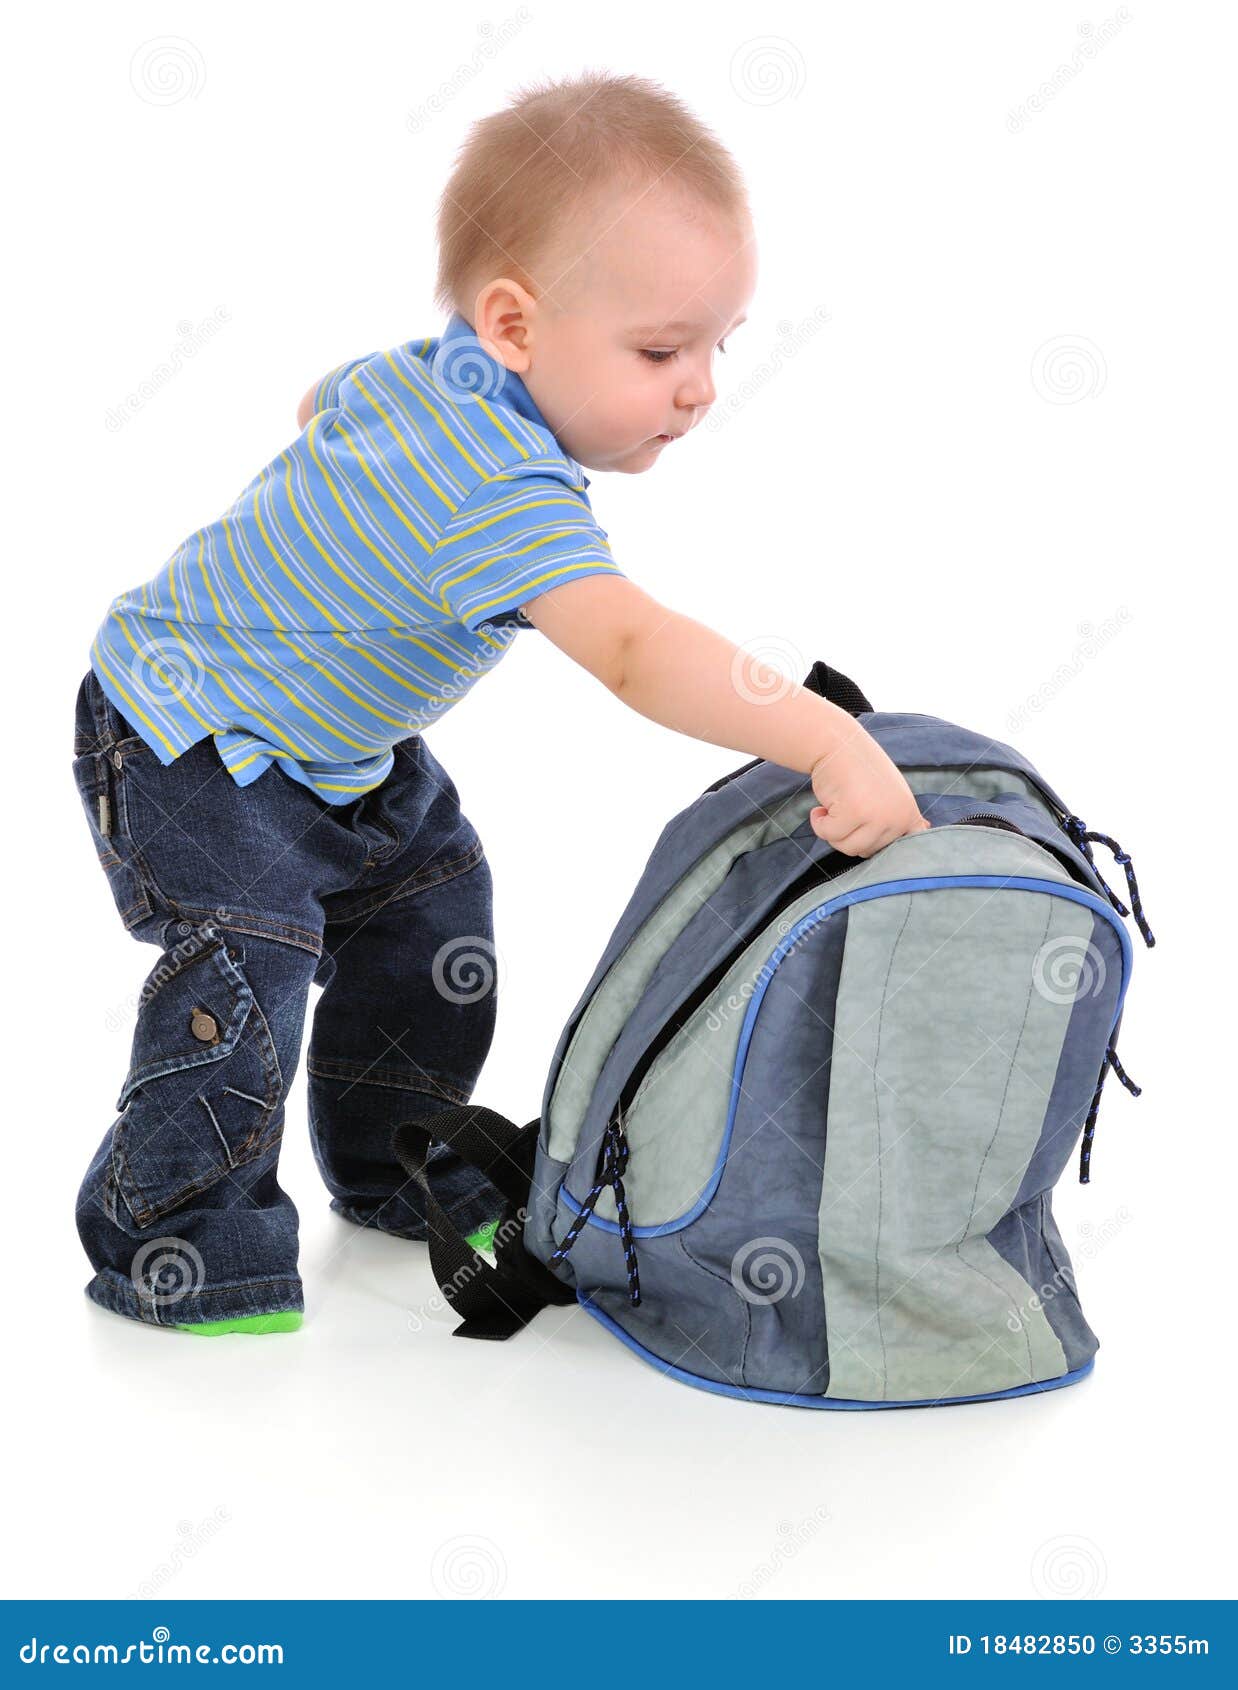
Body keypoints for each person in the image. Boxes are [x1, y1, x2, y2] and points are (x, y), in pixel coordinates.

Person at [70, 70, 929, 1336]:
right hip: (181, 733)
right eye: (658, 350)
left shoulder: (439, 375)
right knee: (250, 955)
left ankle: (385, 1162)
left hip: (337, 753)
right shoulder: (500, 492)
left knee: (430, 915)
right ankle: (177, 1238)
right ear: (515, 325)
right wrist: (819, 732)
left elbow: (323, 398)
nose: (700, 387)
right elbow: (635, 649)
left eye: (716, 345)